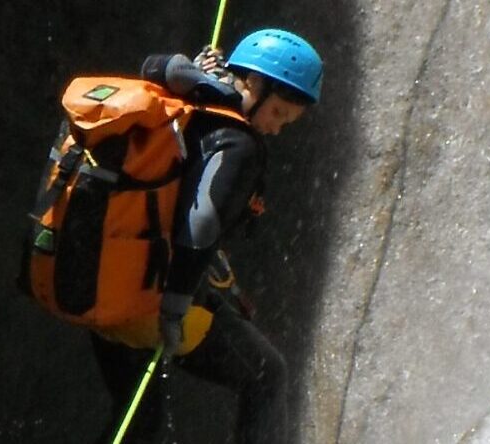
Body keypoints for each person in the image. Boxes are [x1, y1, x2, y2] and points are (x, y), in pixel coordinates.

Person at [90, 29, 323, 443]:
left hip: (103, 281)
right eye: (279, 113)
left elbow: (153, 65)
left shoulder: (185, 97)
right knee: (267, 375)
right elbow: (200, 226)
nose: (276, 129)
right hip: (151, 302)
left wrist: (191, 70)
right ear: (254, 84)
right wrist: (174, 310)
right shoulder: (238, 143)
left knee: (140, 424)